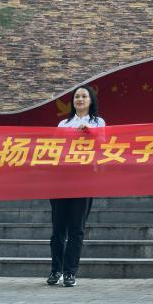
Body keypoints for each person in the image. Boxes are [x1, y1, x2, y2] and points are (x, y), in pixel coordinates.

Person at [47, 86, 105, 287]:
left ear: (91, 100)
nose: (80, 99)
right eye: (77, 96)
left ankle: (70, 272)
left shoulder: (98, 123)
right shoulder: (63, 124)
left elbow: (103, 147)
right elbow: (54, 148)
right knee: (57, 228)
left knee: (76, 229)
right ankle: (56, 269)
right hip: (61, 179)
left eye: (84, 96)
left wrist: (90, 133)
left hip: (84, 180)